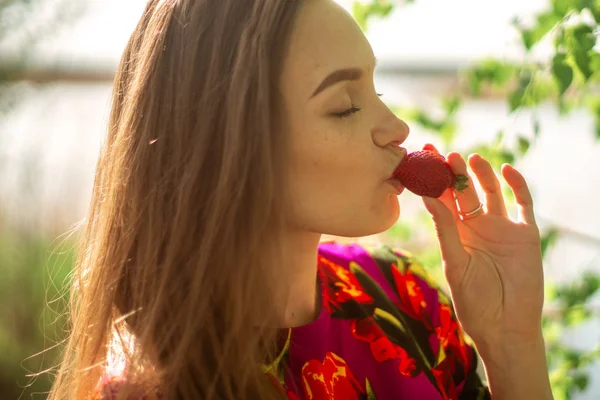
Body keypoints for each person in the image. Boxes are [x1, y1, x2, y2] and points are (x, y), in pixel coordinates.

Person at [48, 0, 554, 399]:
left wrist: (513, 345)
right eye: (345, 107)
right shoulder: (156, 389)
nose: (398, 128)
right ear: (226, 143)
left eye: (377, 90)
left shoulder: (402, 298)